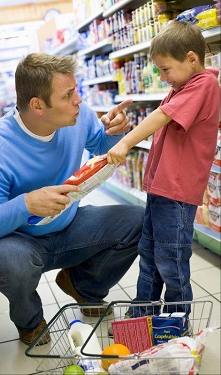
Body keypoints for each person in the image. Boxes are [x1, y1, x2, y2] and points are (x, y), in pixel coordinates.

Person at [0, 53, 145, 346]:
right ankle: (30, 321)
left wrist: (115, 132)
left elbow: (99, 143)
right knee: (6, 260)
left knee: (139, 220)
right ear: (38, 105)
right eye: (68, 95)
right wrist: (25, 204)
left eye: (75, 91)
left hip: (71, 226)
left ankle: (82, 286)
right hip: (21, 242)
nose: (78, 100)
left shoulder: (78, 116)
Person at [107, 21, 220, 318]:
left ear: (192, 59)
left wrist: (126, 143)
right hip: (160, 187)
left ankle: (175, 320)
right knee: (149, 253)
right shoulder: (182, 85)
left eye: (165, 69)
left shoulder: (204, 84)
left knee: (171, 260)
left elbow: (161, 116)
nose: (162, 76)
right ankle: (142, 313)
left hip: (178, 192)